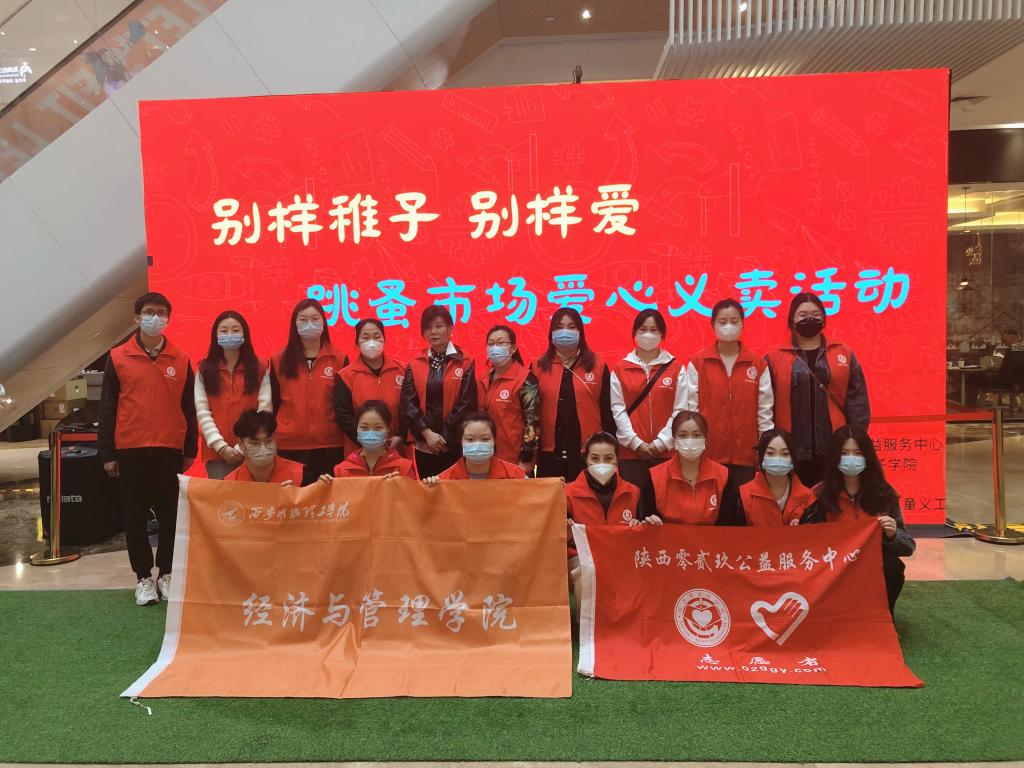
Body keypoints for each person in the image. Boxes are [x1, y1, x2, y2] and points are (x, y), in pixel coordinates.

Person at [99, 292, 198, 607]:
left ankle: (166, 574)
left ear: (168, 318)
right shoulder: (118, 358)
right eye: (149, 312)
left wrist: (190, 447)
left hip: (169, 451)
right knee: (134, 520)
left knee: (171, 519)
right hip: (131, 452)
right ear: (137, 317)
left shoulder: (181, 359)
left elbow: (190, 408)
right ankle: (143, 578)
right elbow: (107, 408)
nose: (155, 318)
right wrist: (107, 453)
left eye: (161, 313)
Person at [803, 425, 915, 614]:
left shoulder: (884, 494)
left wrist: (892, 535)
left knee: (893, 566)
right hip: (831, 569)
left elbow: (908, 547)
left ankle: (883, 617)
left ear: (867, 457)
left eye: (857, 453)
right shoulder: (818, 494)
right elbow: (807, 544)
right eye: (844, 453)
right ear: (835, 457)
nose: (851, 458)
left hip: (869, 566)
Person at [766, 292, 870, 488]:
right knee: (793, 499)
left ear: (824, 318)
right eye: (802, 315)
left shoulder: (843, 352)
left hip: (835, 446)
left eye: (816, 314)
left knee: (832, 498)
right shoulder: (774, 357)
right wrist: (769, 443)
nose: (810, 319)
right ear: (792, 318)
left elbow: (858, 401)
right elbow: (765, 406)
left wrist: (856, 439)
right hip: (789, 448)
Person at [686, 298, 773, 497]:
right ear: (713, 325)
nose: (728, 326)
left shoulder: (757, 364)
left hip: (747, 455)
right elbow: (691, 410)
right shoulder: (698, 362)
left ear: (742, 324)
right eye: (722, 321)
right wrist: (695, 447)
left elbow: (765, 412)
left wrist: (765, 449)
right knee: (711, 508)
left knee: (745, 508)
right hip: (708, 454)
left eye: (734, 321)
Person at [609, 309, 686, 514]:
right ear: (634, 333)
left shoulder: (676, 368)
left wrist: (661, 443)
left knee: (665, 510)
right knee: (632, 509)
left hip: (667, 453)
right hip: (631, 453)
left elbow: (680, 409)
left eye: (654, 330)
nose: (648, 334)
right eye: (643, 330)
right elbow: (618, 410)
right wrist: (636, 443)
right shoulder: (620, 368)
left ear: (662, 334)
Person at [269, 299, 348, 484]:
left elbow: (343, 405)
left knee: (327, 498)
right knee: (294, 498)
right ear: (294, 324)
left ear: (323, 323)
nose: (309, 324)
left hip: (330, 443)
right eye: (303, 320)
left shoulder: (339, 359)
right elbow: (272, 403)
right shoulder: (279, 359)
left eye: (315, 318)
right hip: (290, 444)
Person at [532, 308, 614, 481]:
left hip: (588, 452)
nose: (565, 331)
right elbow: (530, 414)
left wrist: (608, 449)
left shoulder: (597, 365)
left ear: (580, 333)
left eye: (571, 327)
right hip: (549, 452)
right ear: (552, 333)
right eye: (559, 327)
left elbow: (607, 411)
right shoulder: (537, 366)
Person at [400, 306, 477, 478]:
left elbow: (466, 404)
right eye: (428, 327)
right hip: (422, 444)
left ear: (450, 328)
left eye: (439, 326)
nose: (433, 331)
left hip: (454, 444)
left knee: (453, 492)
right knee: (423, 491)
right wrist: (427, 434)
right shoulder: (414, 363)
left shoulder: (465, 361)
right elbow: (408, 404)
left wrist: (443, 438)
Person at [194, 310, 271, 479]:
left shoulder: (260, 367)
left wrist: (242, 446)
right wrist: (220, 446)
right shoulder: (204, 369)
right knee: (221, 495)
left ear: (245, 335)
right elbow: (202, 412)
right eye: (224, 330)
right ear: (216, 335)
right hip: (217, 454)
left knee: (253, 496)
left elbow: (264, 409)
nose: (230, 334)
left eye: (235, 330)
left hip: (253, 450)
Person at [334, 318, 406, 458]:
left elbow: (409, 408)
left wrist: (402, 435)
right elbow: (343, 415)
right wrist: (369, 442)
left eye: (377, 336)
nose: (371, 342)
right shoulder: (345, 376)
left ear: (384, 339)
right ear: (357, 342)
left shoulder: (401, 371)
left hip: (395, 449)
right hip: (359, 452)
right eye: (365, 337)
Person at [646, 411, 733, 525]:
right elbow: (647, 522)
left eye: (697, 435)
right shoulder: (655, 476)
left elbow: (729, 527)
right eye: (683, 435)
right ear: (674, 440)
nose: (690, 441)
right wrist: (650, 522)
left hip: (711, 537)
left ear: (706, 439)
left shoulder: (724, 475)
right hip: (669, 537)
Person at [477, 324, 539, 472]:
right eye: (491, 344)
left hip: (514, 459)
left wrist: (526, 459)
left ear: (513, 348)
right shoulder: (482, 378)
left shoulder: (526, 379)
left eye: (500, 343)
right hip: (483, 457)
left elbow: (532, 423)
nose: (495, 348)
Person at [319, 401, 417, 480]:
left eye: (378, 428)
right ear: (356, 428)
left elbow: (413, 497)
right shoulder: (342, 470)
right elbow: (336, 498)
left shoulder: (404, 468)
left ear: (388, 429)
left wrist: (401, 486)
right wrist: (323, 489)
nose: (371, 433)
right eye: (364, 428)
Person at [421, 412, 527, 484]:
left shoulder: (517, 477)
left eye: (485, 439)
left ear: (494, 440)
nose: (478, 444)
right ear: (461, 441)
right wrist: (431, 490)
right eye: (470, 439)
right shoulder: (444, 481)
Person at [736, 429, 815, 526]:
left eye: (785, 454)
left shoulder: (808, 498)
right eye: (770, 453)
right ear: (760, 457)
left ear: (793, 459)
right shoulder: (744, 496)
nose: (778, 459)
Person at [223, 409, 304, 485]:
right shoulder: (229, 484)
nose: (263, 448)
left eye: (268, 441)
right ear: (241, 444)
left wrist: (296, 493)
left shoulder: (301, 475)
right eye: (255, 443)